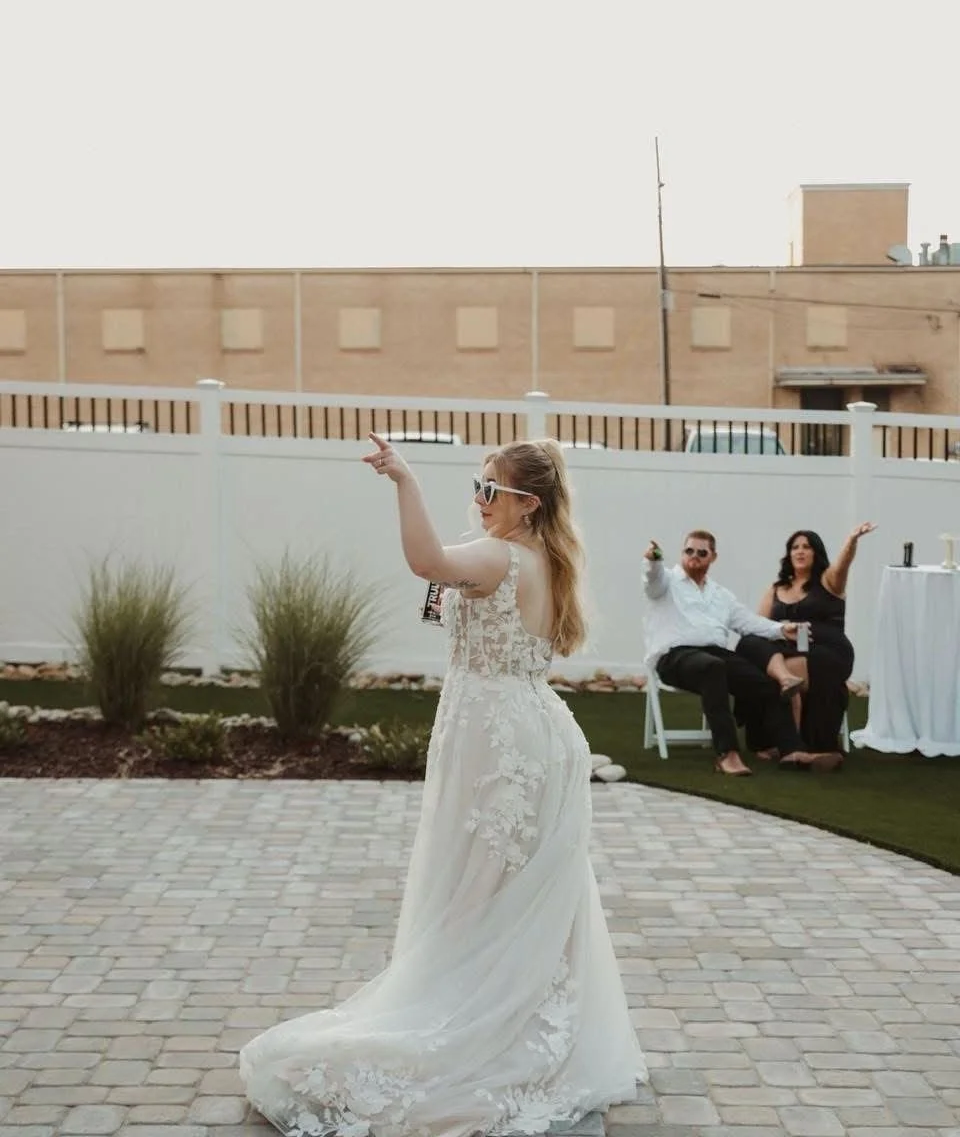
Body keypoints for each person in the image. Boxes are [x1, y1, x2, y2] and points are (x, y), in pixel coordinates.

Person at [240, 434, 646, 1137]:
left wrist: (404, 480)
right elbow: (447, 583)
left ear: (529, 504)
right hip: (526, 731)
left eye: (493, 489)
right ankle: (516, 1017)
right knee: (499, 891)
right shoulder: (541, 556)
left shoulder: (496, 556)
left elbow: (425, 563)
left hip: (496, 741)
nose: (480, 498)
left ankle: (473, 1026)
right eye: (477, 484)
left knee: (478, 888)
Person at [643, 531, 843, 776]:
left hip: (714, 654)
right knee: (712, 667)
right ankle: (727, 754)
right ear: (682, 553)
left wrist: (782, 629)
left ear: (713, 557)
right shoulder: (667, 582)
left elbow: (749, 622)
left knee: (766, 682)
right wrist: (653, 561)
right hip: (674, 657)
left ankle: (792, 750)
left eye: (702, 552)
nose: (694, 556)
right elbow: (652, 582)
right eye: (689, 551)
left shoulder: (721, 595)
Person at [738, 524, 874, 757]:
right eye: (795, 547)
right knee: (749, 647)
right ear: (789, 554)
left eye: (807, 547)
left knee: (778, 675)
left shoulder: (828, 581)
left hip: (826, 652)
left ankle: (789, 745)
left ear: (816, 553)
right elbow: (758, 625)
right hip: (786, 650)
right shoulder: (776, 589)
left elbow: (843, 565)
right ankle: (789, 744)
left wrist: (851, 541)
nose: (800, 551)